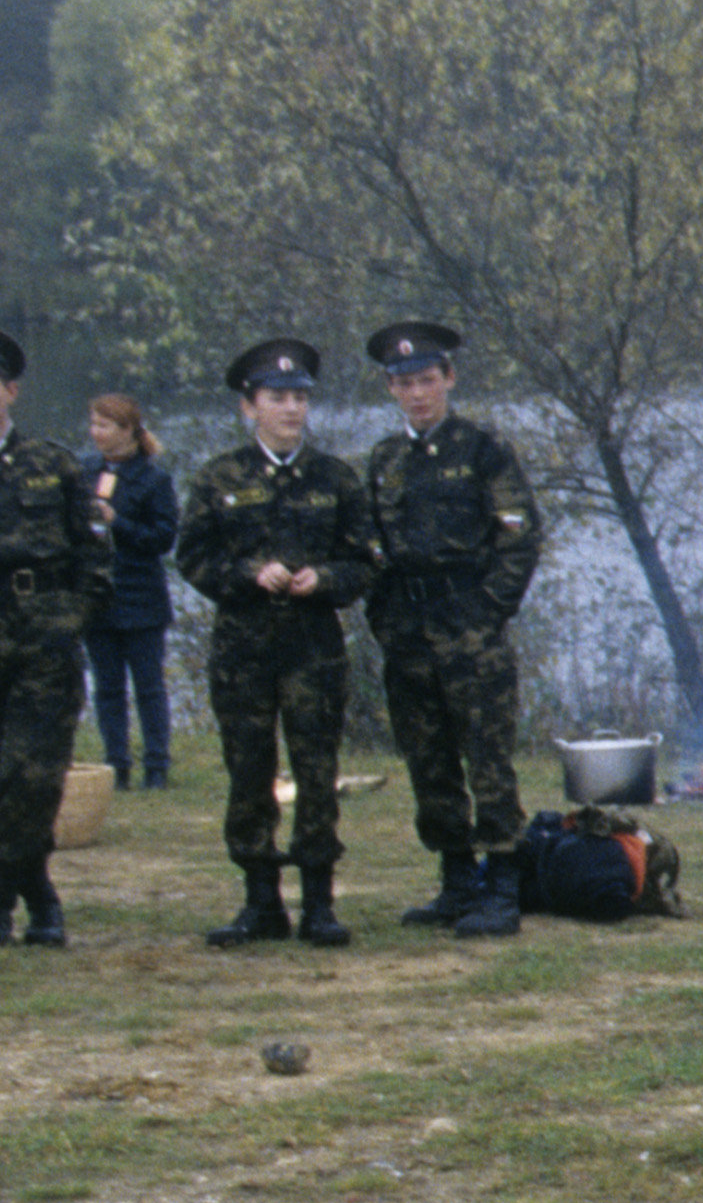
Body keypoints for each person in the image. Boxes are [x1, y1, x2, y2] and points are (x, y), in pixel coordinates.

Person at [176, 335, 371, 947]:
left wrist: (328, 579)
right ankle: (261, 900)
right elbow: (192, 559)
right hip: (244, 649)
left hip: (313, 647)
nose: (290, 409)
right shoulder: (219, 478)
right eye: (276, 397)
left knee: (317, 772)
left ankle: (319, 903)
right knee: (248, 771)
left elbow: (366, 562)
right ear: (248, 406)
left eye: (298, 398)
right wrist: (246, 575)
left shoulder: (335, 478)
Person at [356, 320, 546, 936]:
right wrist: (383, 615)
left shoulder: (483, 448)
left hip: (469, 627)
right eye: (405, 383)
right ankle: (456, 879)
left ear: (449, 379)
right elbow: (368, 546)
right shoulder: (384, 461)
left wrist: (489, 607)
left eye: (428, 380)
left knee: (487, 756)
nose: (418, 394)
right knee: (427, 757)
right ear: (390, 388)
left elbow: (519, 534)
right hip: (408, 630)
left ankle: (503, 885)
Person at [0, 336, 90, 945]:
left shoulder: (51, 464)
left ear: (10, 390)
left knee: (33, 776)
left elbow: (92, 551)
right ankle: (32, 897)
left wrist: (73, 617)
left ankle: (27, 887)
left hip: (40, 632)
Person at [80, 391, 173, 793]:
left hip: (141, 598)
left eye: (104, 425)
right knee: (107, 688)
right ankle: (116, 766)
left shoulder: (154, 479)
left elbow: (162, 538)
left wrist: (118, 522)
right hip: (98, 596)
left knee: (149, 687)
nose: (95, 433)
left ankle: (156, 766)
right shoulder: (83, 472)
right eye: (94, 424)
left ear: (128, 431)